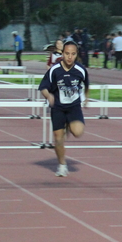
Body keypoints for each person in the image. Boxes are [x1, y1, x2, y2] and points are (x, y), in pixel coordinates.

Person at [39, 41, 90, 177]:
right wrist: (48, 96)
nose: (69, 57)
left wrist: (86, 98)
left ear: (76, 55)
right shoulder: (54, 70)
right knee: (58, 139)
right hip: (58, 107)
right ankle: (62, 165)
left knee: (78, 132)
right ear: (62, 54)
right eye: (67, 53)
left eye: (73, 54)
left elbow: (86, 85)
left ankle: (69, 124)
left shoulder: (80, 70)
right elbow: (43, 87)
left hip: (73, 106)